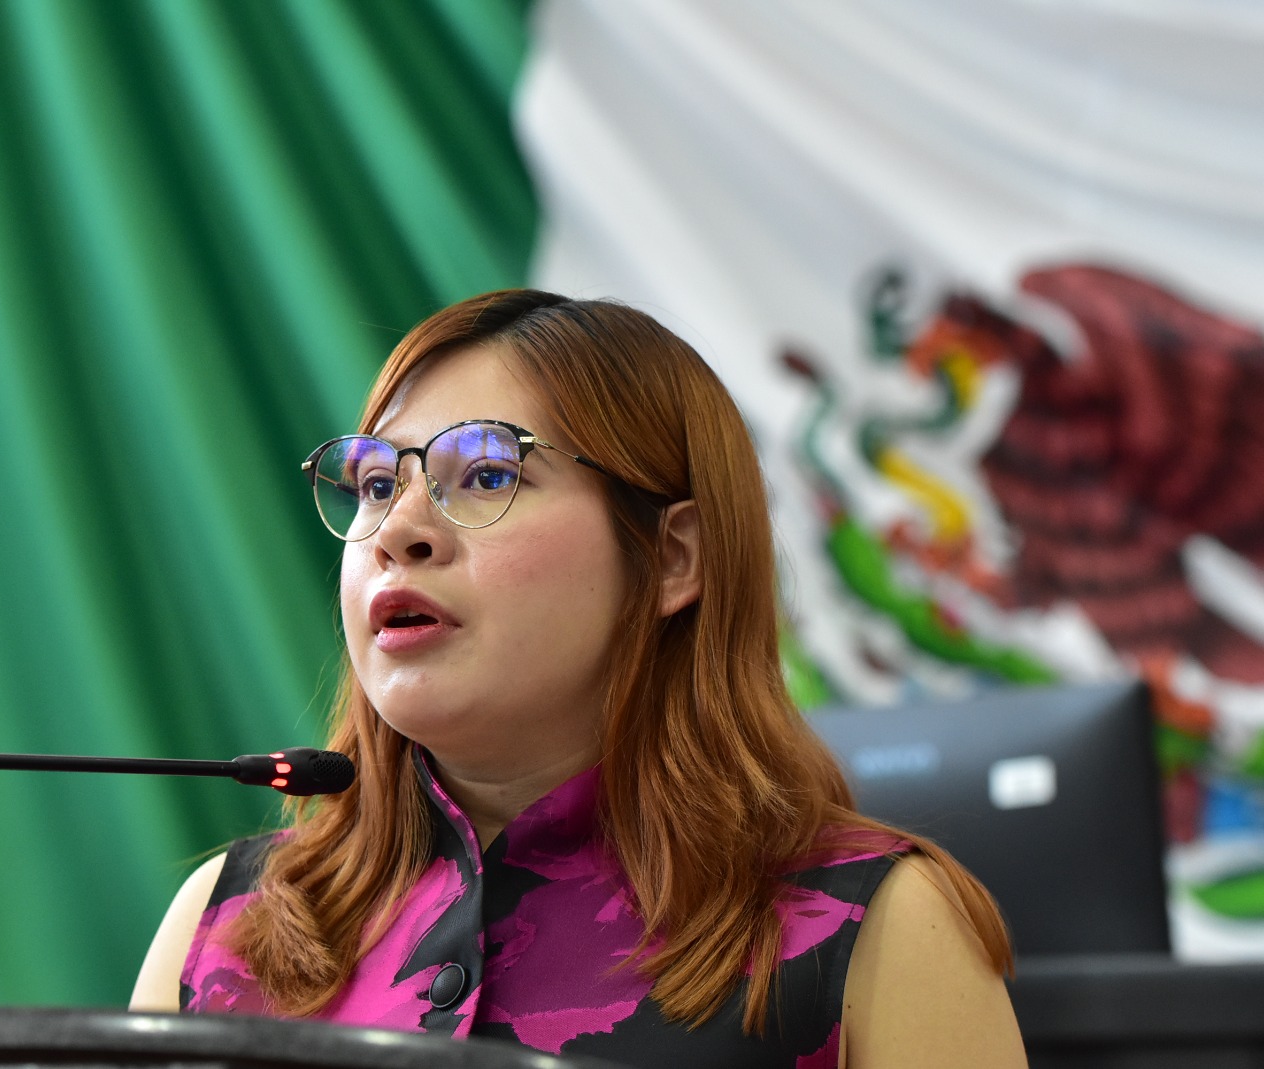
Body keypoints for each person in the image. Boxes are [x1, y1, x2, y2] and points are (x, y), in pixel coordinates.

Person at [131, 290, 1026, 1068]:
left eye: (486, 474)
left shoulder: (877, 929)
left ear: (673, 557)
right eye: (373, 484)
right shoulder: (224, 926)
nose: (398, 530)